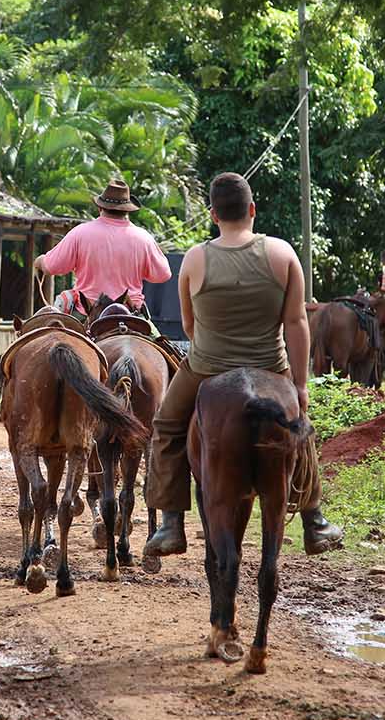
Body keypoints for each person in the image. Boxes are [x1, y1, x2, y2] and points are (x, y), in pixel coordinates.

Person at [142, 172, 344, 559]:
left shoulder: (195, 259)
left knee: (166, 427)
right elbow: (297, 323)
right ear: (252, 210)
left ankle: (171, 523)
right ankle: (313, 520)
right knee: (301, 429)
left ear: (213, 215)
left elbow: (189, 325)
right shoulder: (283, 254)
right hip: (271, 366)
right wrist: (299, 385)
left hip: (206, 366)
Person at [33, 176, 171, 317]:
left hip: (87, 313)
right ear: (127, 211)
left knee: (55, 334)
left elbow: (51, 267)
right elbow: (163, 275)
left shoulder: (80, 233)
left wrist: (40, 261)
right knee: (157, 338)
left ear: (100, 207)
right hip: (131, 313)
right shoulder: (143, 238)